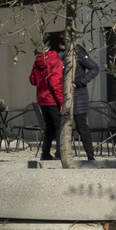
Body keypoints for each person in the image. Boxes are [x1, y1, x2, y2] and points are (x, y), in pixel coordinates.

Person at [29, 33, 66, 161]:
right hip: (53, 99)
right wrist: (61, 103)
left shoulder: (38, 60)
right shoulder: (56, 61)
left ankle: (45, 153)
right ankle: (60, 154)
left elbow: (32, 80)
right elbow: (55, 84)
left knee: (48, 128)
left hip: (42, 99)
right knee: (59, 127)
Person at [70, 43, 103, 163]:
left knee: (81, 126)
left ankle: (90, 155)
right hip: (64, 96)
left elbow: (95, 68)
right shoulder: (59, 54)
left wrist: (80, 82)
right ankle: (61, 154)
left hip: (78, 96)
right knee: (61, 127)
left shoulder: (78, 52)